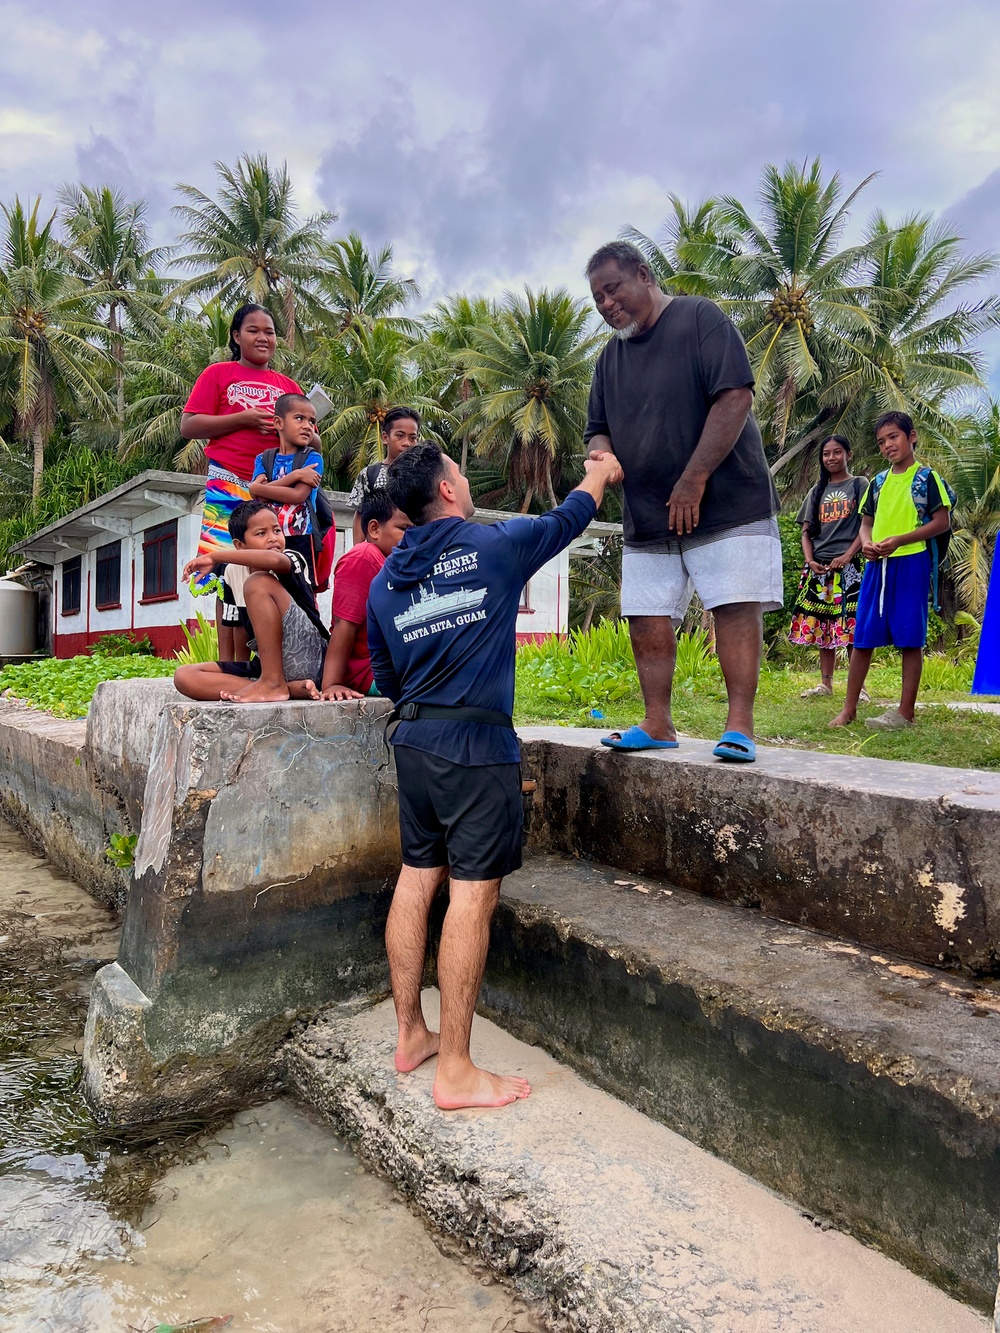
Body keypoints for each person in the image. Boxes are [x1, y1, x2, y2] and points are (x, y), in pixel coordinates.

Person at [367, 442, 623, 1110]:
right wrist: (599, 470)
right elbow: (570, 518)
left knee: (417, 877)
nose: (463, 477)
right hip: (475, 747)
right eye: (458, 469)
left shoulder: (384, 579)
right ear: (448, 489)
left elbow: (387, 681)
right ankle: (455, 1068)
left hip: (414, 744)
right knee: (471, 898)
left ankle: (410, 1035)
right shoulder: (493, 547)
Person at [584, 241, 782, 764]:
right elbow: (596, 431)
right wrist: (601, 458)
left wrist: (694, 479)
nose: (606, 304)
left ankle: (739, 725)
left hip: (726, 500)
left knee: (733, 606)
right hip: (647, 509)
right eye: (597, 297)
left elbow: (735, 396)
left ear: (644, 276)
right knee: (645, 614)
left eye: (613, 289)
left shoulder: (701, 318)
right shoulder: (609, 360)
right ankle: (658, 722)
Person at [181, 304, 308, 661]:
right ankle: (229, 663)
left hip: (276, 489)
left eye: (269, 331)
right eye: (253, 330)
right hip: (229, 485)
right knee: (225, 574)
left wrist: (299, 428)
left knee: (273, 566)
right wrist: (244, 418)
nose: (263, 337)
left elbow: (312, 437)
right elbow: (189, 425)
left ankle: (270, 661)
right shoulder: (218, 373)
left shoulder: (288, 386)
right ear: (237, 336)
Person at [829, 412, 953, 731]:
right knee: (864, 636)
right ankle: (849, 709)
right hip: (876, 566)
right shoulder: (877, 482)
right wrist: (867, 544)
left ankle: (905, 712)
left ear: (911, 437)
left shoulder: (927, 478)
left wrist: (900, 540)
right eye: (882, 441)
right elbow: (865, 524)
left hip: (912, 562)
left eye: (893, 437)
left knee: (910, 637)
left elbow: (942, 522)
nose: (887, 445)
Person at [174, 501, 356, 705]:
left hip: (313, 657)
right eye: (261, 533)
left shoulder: (291, 557)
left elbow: (275, 561)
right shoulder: (232, 573)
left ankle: (273, 684)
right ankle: (285, 687)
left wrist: (214, 557)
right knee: (185, 676)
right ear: (239, 546)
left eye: (276, 530)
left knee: (257, 583)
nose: (273, 538)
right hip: (269, 665)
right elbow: (238, 629)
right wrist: (232, 671)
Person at [788, 436, 867, 698]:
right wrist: (810, 562)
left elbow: (868, 526)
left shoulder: (859, 485)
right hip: (819, 569)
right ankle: (826, 684)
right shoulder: (816, 491)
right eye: (826, 454)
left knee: (854, 626)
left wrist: (847, 555)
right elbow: (806, 533)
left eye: (837, 452)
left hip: (851, 566)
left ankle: (860, 688)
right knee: (823, 626)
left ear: (849, 454)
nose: (831, 458)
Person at [318, 492, 411, 699]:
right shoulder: (363, 558)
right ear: (374, 529)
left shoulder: (393, 564)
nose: (412, 537)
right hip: (369, 673)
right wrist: (332, 683)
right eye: (405, 529)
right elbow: (344, 624)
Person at [250, 393, 325, 584]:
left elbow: (298, 495)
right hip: (269, 537)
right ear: (278, 423)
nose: (307, 425)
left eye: (311, 421)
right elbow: (256, 495)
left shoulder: (313, 458)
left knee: (302, 590)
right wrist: (295, 476)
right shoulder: (263, 459)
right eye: (299, 418)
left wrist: (261, 488)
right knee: (266, 584)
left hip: (301, 537)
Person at [348, 408, 421, 543]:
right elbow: (360, 514)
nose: (407, 443)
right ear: (385, 437)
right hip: (378, 553)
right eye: (400, 436)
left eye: (413, 438)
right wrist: (358, 551)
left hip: (412, 552)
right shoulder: (369, 474)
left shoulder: (423, 476)